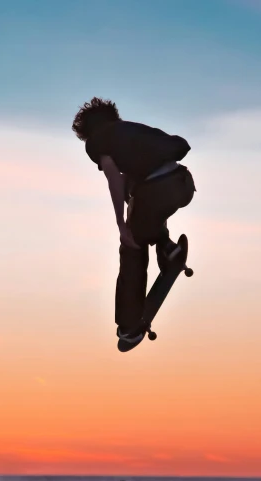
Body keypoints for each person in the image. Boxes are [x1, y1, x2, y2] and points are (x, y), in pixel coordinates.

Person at [72, 97, 196, 347]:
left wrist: (120, 224)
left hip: (157, 190)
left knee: (131, 246)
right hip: (183, 184)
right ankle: (167, 248)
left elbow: (113, 181)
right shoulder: (132, 131)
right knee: (138, 204)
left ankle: (129, 326)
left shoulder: (99, 141)